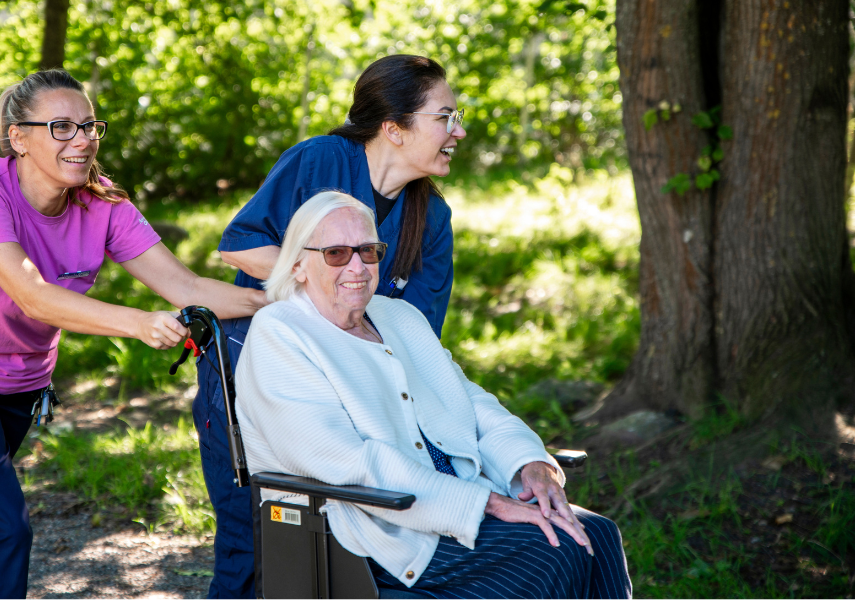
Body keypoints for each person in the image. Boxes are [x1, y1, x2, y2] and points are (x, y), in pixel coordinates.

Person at [0, 69, 267, 599]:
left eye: (89, 126)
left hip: (19, 383)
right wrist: (138, 324)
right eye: (61, 127)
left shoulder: (103, 203)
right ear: (19, 138)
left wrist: (289, 301)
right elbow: (30, 294)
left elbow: (187, 284)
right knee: (2, 523)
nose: (82, 139)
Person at [235, 191, 632, 599]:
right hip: (376, 529)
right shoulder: (280, 333)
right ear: (298, 265)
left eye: (369, 251)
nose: (357, 266)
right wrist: (487, 504)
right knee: (555, 548)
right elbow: (351, 463)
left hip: (457, 497)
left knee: (599, 535)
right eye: (336, 253)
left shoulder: (398, 316)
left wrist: (528, 461)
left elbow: (471, 402)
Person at [195, 54, 466, 598]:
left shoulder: (431, 219)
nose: (458, 130)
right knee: (253, 540)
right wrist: (323, 291)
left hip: (351, 394)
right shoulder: (320, 159)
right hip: (258, 368)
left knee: (332, 547)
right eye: (446, 117)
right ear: (394, 128)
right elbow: (240, 244)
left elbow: (416, 341)